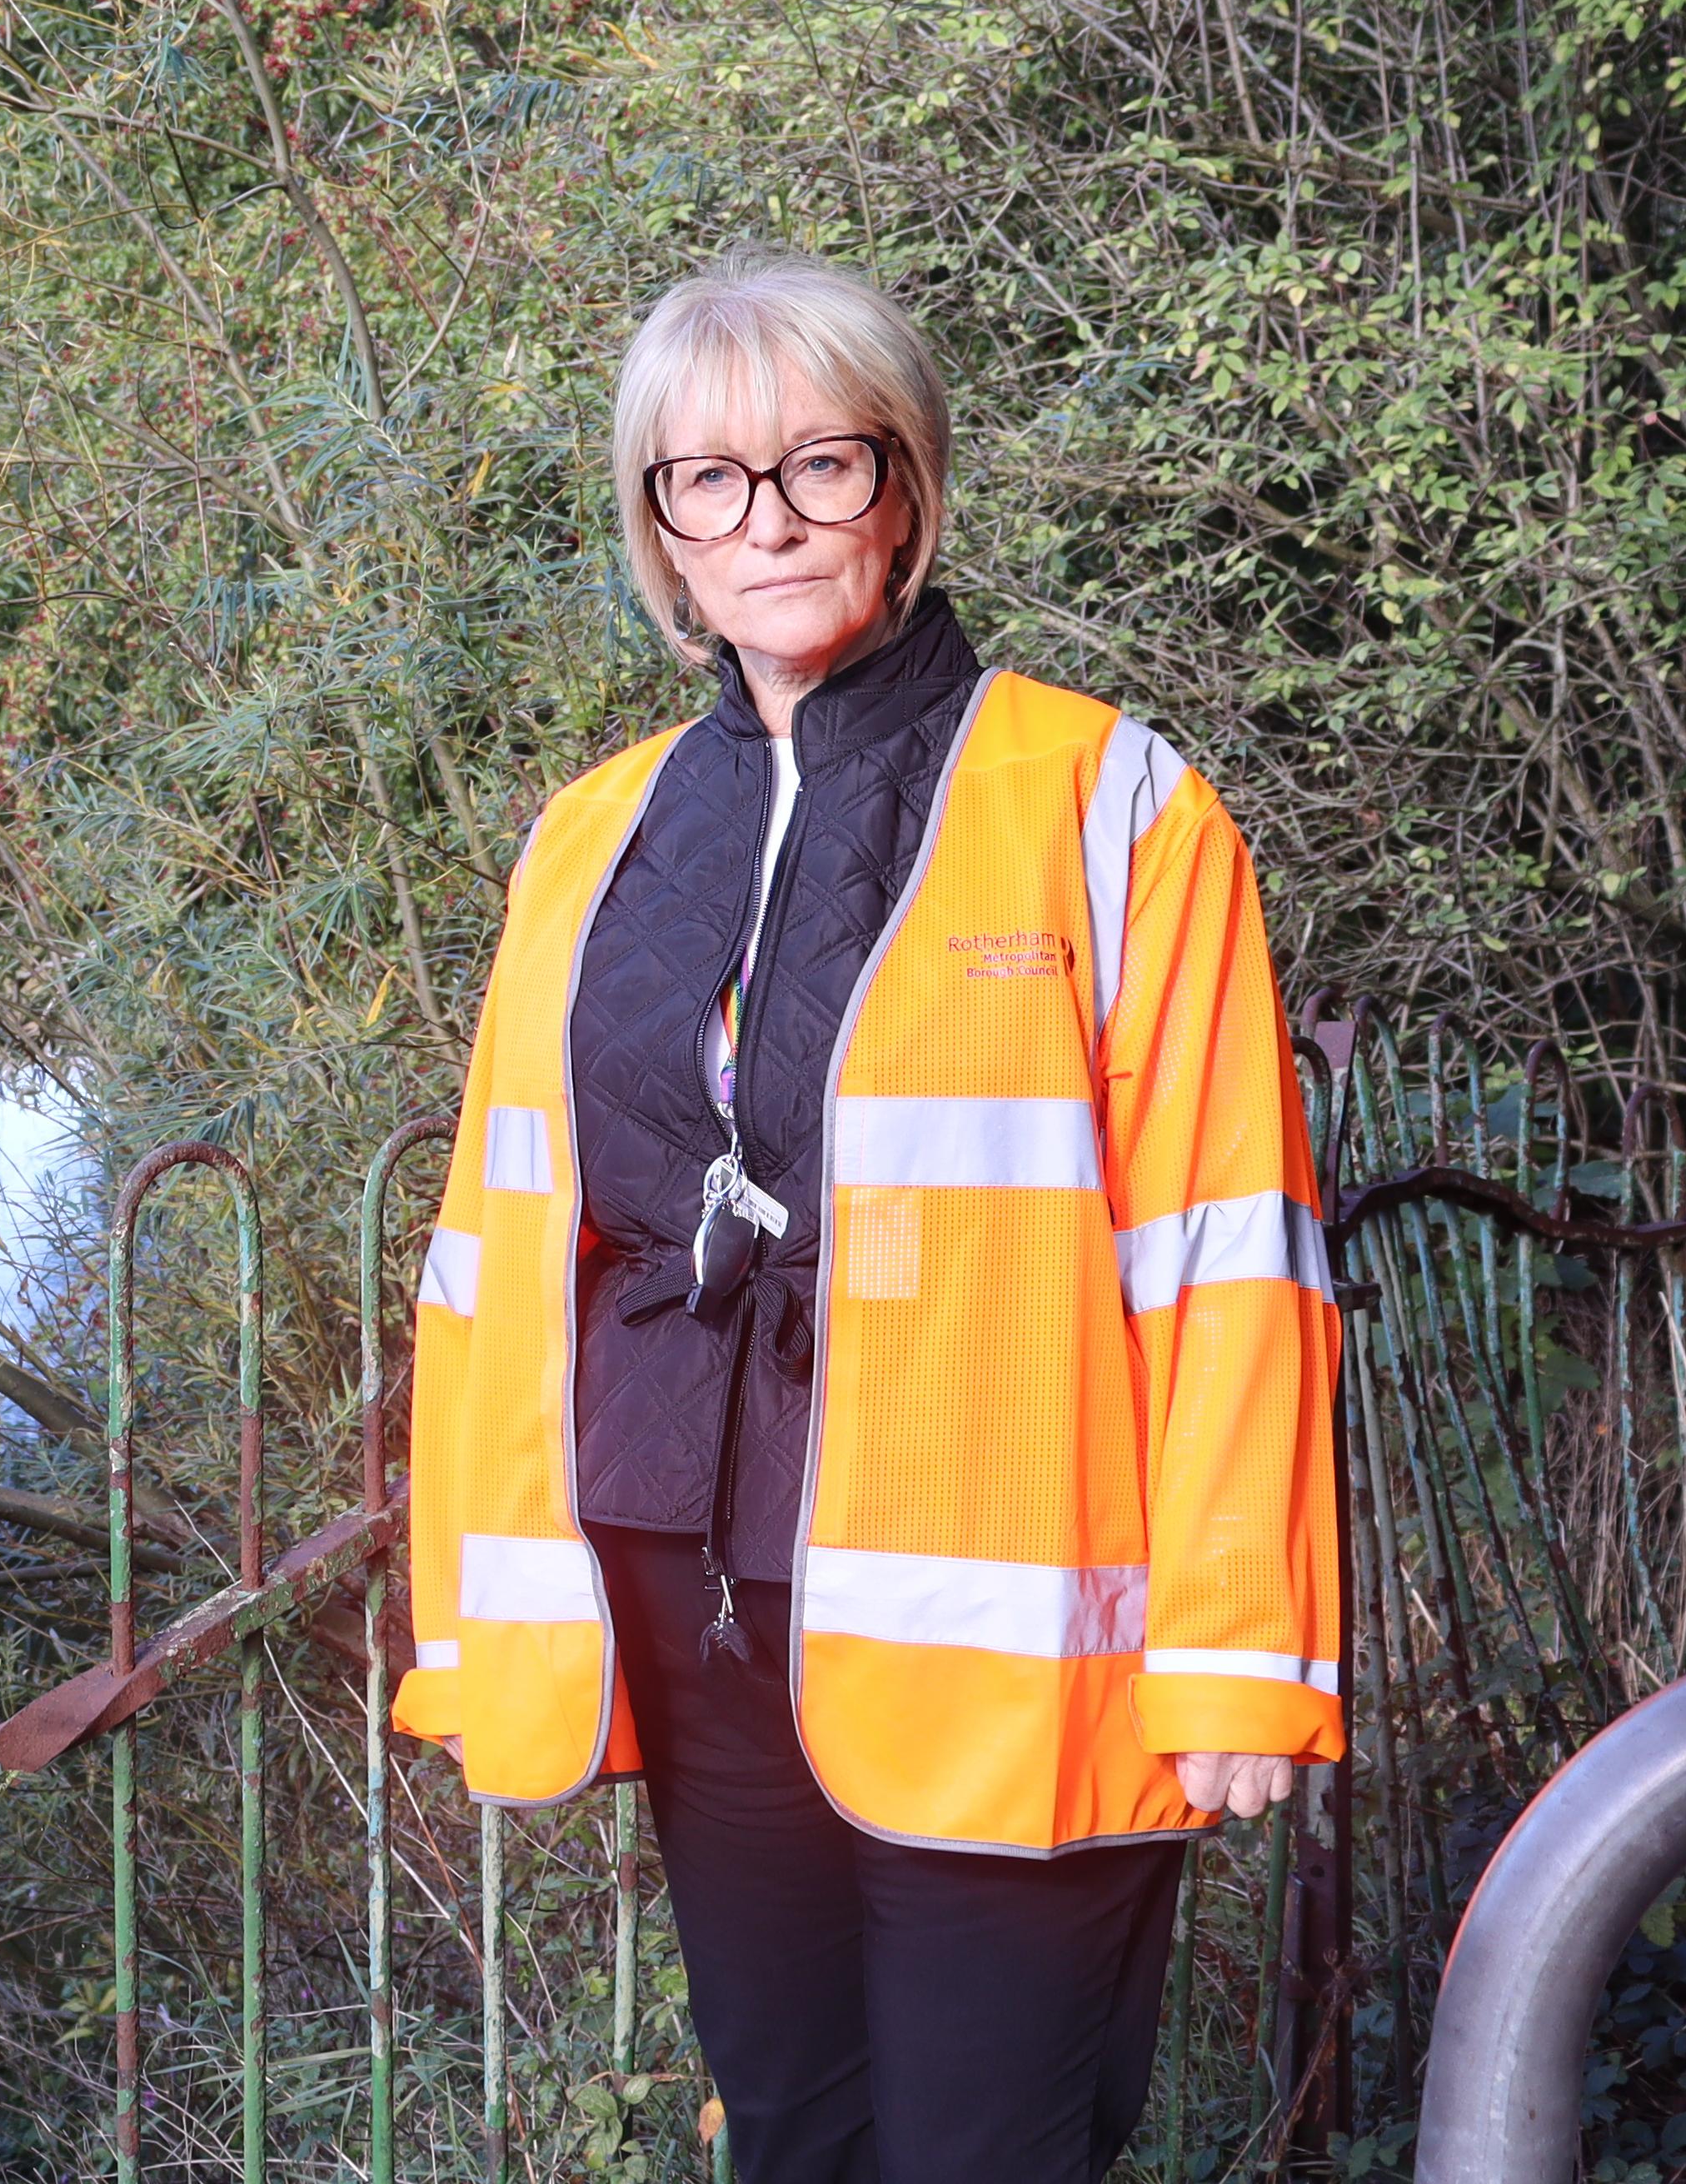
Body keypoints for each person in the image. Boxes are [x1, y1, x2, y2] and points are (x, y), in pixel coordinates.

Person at [392, 247, 1341, 2184]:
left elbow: (1228, 1252)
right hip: (696, 1597)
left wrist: (1244, 1649)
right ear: (660, 528)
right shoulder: (592, 835)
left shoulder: (1109, 802)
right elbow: (500, 1255)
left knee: (991, 2147)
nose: (765, 520)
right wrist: (477, 1625)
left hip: (1008, 1617)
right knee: (794, 2135)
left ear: (904, 485)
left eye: (818, 462)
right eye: (706, 478)